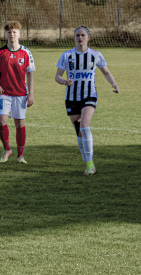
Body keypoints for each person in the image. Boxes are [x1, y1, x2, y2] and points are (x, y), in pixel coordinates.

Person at [55, 26, 119, 175]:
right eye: (77, 35)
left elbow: (106, 72)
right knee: (79, 132)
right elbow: (57, 76)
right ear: (74, 38)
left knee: (84, 125)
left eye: (83, 35)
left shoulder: (95, 55)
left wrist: (114, 84)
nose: (80, 38)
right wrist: (64, 81)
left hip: (89, 95)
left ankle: (90, 165)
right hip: (71, 97)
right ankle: (87, 163)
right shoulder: (66, 56)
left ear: (88, 38)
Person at [0, 21, 35, 164]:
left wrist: (31, 93)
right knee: (2, 121)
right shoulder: (1, 52)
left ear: (19, 34)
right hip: (4, 93)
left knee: (20, 124)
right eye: (9, 32)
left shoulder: (26, 52)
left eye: (14, 32)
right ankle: (6, 149)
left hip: (21, 94)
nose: (12, 34)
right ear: (6, 34)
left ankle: (20, 155)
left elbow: (30, 74)